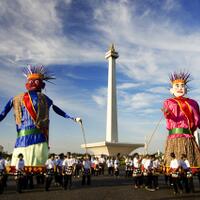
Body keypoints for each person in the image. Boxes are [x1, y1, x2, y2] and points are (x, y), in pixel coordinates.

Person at [0, 65, 82, 167]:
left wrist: (72, 118)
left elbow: (57, 109)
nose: (33, 83)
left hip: (39, 140)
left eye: (36, 81)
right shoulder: (17, 99)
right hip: (23, 140)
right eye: (31, 81)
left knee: (38, 167)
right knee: (21, 168)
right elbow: (2, 114)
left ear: (42, 84)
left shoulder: (45, 99)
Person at [162, 72, 200, 169]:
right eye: (177, 86)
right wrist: (167, 113)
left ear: (186, 89)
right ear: (172, 90)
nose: (180, 88)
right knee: (174, 164)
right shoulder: (169, 102)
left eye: (182, 86)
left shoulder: (193, 103)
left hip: (188, 136)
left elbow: (197, 118)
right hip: (174, 137)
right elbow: (169, 116)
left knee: (189, 163)